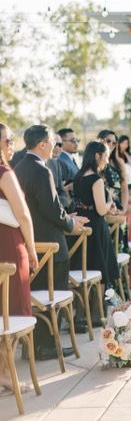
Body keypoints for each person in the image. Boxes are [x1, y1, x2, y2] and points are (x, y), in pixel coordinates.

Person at [13, 125, 88, 360]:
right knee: (52, 295)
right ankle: (46, 347)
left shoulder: (20, 166)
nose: (54, 147)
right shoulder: (40, 169)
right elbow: (51, 208)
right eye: (52, 143)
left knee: (36, 294)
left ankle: (32, 347)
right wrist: (70, 224)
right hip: (50, 240)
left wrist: (68, 217)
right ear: (42, 144)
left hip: (32, 239)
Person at [0, 123, 37, 392]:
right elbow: (23, 215)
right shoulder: (4, 173)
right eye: (8, 140)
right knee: (11, 311)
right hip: (10, 246)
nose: (12, 145)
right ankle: (5, 375)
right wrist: (33, 250)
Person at [72, 141, 119, 294]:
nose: (107, 160)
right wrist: (110, 201)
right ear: (97, 156)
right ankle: (98, 311)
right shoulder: (96, 180)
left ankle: (82, 311)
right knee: (99, 268)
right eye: (106, 156)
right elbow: (100, 210)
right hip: (95, 226)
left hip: (80, 222)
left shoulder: (78, 176)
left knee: (84, 267)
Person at [98, 130, 128, 211]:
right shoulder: (96, 160)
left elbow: (124, 188)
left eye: (114, 143)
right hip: (103, 207)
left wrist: (124, 209)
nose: (111, 144)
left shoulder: (119, 162)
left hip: (118, 207)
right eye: (108, 141)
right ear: (100, 140)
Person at [46, 133, 74, 211]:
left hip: (59, 210)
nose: (58, 148)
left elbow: (61, 192)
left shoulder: (56, 164)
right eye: (55, 144)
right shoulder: (34, 164)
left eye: (60, 145)